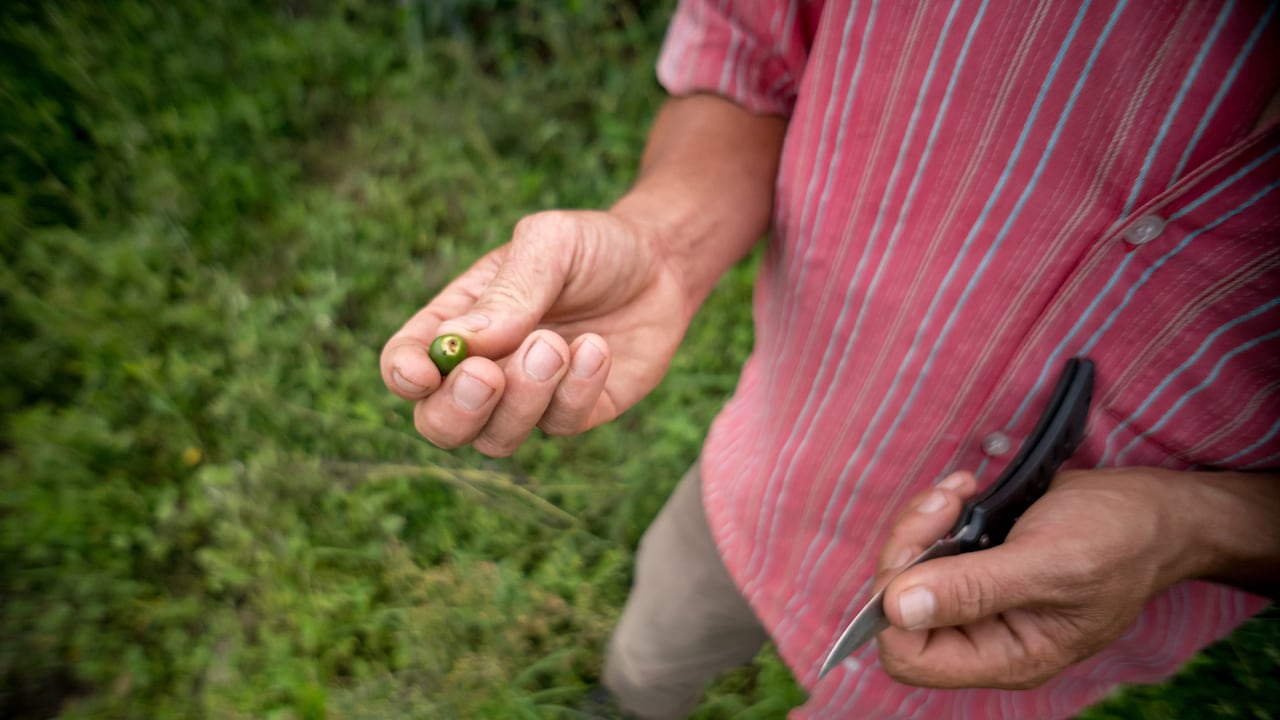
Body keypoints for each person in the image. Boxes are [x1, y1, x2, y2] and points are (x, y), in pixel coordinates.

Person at [381, 1, 1280, 718]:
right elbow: (750, 53)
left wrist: (1195, 527)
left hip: (1030, 646)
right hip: (768, 478)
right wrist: (664, 245)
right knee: (656, 648)